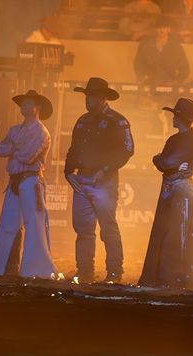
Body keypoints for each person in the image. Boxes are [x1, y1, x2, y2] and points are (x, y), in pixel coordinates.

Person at [64, 78, 134, 283]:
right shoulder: (82, 121)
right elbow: (73, 150)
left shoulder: (117, 121)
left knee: (107, 227)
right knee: (83, 229)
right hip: (84, 179)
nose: (88, 100)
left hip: (104, 181)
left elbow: (127, 150)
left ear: (103, 98)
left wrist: (104, 170)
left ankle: (114, 271)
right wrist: (69, 172)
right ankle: (84, 270)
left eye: (92, 96)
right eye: (87, 96)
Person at [0, 90, 57, 279]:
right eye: (23, 104)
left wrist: (13, 147)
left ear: (38, 108)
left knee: (34, 224)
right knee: (7, 225)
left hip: (30, 180)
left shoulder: (42, 132)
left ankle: (37, 270)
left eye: (28, 103)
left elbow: (28, 156)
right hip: (16, 181)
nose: (24, 107)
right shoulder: (15, 130)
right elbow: (0, 149)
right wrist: (17, 147)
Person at [139, 98, 193, 289]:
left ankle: (175, 276)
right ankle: (168, 275)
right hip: (174, 188)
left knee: (177, 233)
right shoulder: (177, 140)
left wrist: (159, 159)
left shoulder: (190, 142)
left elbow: (165, 162)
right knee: (169, 231)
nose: (173, 118)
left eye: (176, 115)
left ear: (183, 118)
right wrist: (161, 161)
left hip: (179, 190)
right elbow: (165, 163)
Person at [133, 21, 189, 86]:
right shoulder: (145, 45)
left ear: (169, 29)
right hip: (149, 83)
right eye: (159, 27)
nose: (161, 30)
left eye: (164, 27)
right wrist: (141, 77)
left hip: (169, 85)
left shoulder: (176, 47)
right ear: (156, 29)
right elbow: (138, 64)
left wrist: (176, 81)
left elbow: (185, 69)